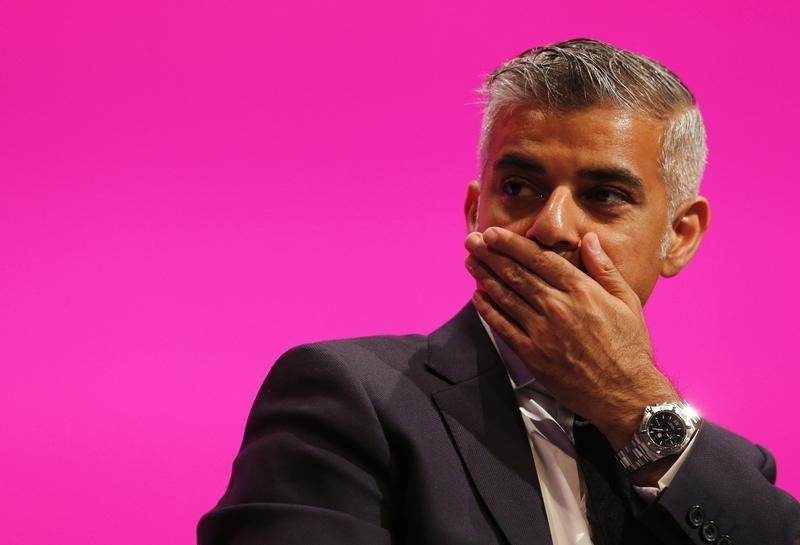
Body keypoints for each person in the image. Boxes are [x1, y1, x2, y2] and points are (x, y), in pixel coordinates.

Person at [197, 39, 800, 544]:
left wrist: (632, 404)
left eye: (604, 196)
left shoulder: (717, 468)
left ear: (680, 235)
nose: (552, 226)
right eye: (518, 186)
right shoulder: (349, 399)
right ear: (473, 212)